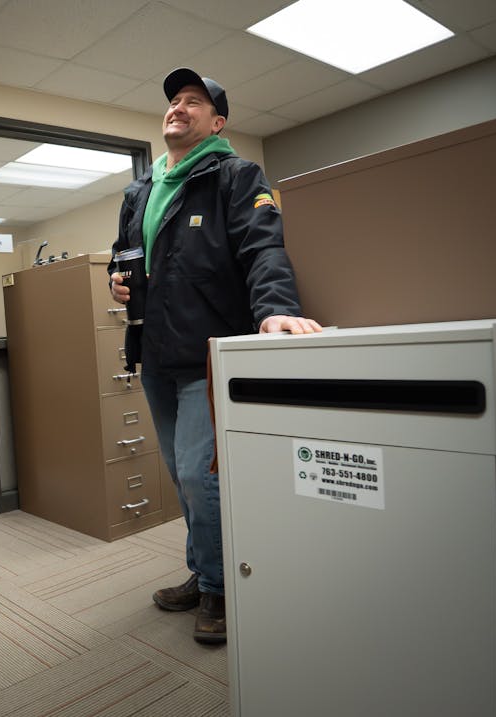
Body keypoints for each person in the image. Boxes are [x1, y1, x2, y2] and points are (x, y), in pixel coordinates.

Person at [109, 68, 321, 644]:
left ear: (217, 121)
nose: (178, 107)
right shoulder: (141, 190)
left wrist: (274, 308)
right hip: (154, 354)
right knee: (183, 478)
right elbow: (123, 256)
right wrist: (117, 281)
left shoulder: (235, 175)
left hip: (208, 353)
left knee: (201, 480)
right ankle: (204, 571)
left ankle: (223, 589)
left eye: (193, 102)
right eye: (174, 101)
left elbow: (263, 247)